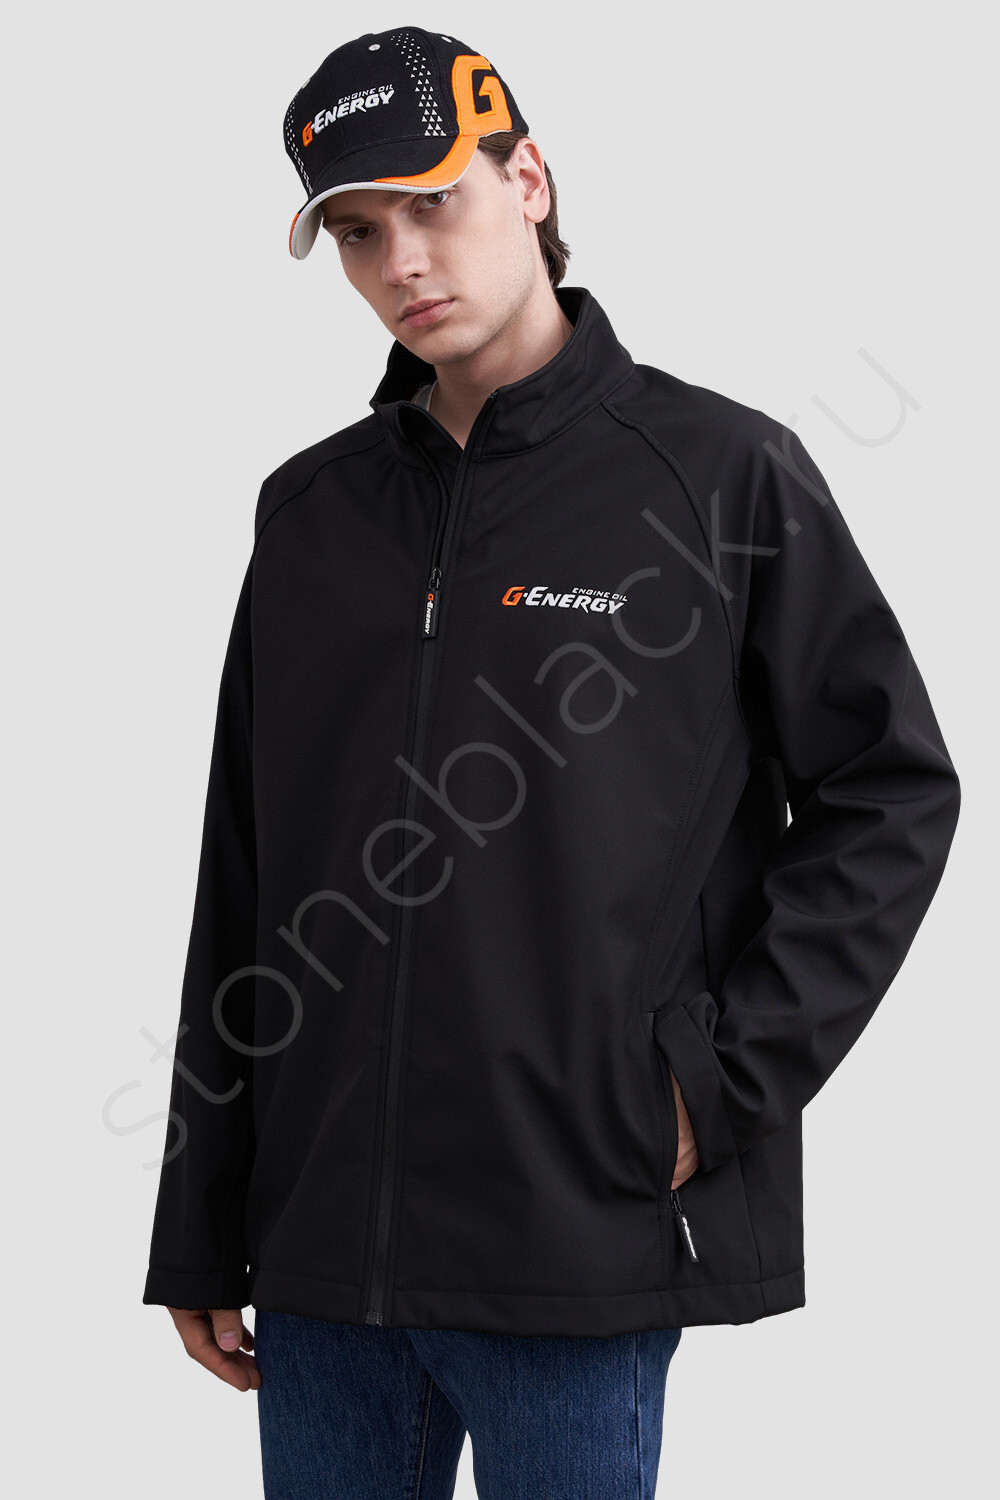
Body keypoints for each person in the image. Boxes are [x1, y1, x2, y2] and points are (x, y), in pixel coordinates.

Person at [141, 25, 962, 1499]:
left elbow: (889, 791)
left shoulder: (720, 477)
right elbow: (243, 868)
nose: (401, 261)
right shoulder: (310, 514)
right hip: (321, 1258)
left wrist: (715, 1085)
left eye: (432, 202)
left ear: (527, 180)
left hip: (573, 1237)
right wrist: (201, 1218)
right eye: (357, 231)